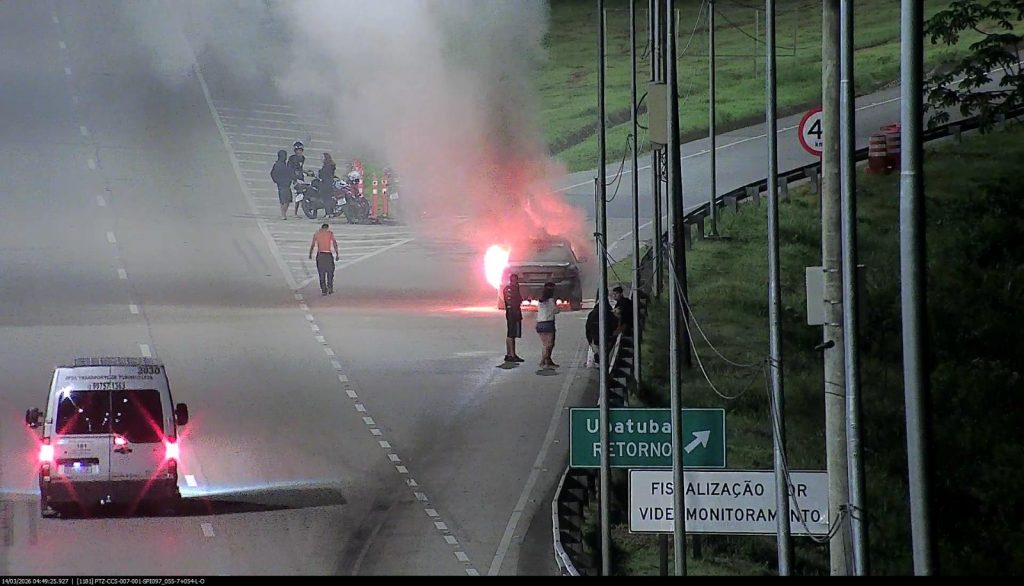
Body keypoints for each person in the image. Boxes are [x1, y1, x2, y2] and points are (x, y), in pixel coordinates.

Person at [308, 223, 340, 296]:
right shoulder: (330, 234)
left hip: (320, 255)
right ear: (327, 228)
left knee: (321, 273)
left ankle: (324, 289)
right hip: (328, 254)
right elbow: (334, 243)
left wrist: (310, 254)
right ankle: (330, 287)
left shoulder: (317, 234)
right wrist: (337, 253)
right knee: (330, 272)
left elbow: (313, 244)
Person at [585, 298, 616, 367]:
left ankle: (599, 365)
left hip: (595, 339)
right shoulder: (610, 313)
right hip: (607, 339)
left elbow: (588, 328)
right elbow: (614, 325)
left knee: (598, 353)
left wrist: (590, 340)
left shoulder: (592, 314)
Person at [536, 282, 560, 369]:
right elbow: (556, 311)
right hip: (548, 323)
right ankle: (544, 361)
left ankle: (547, 360)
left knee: (545, 344)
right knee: (549, 344)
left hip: (540, 323)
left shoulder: (540, 301)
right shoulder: (551, 301)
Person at [503, 274, 525, 363]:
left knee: (510, 334)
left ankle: (509, 354)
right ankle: (512, 354)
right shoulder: (510, 289)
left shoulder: (513, 288)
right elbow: (511, 302)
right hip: (513, 313)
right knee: (511, 334)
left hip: (513, 312)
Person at [270, 149, 293, 220]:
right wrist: (277, 181)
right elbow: (273, 174)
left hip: (287, 184)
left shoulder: (285, 164)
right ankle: (283, 214)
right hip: (282, 184)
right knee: (283, 200)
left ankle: (284, 213)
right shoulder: (278, 165)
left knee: (287, 200)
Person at [287, 141, 306, 217]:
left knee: (303, 193)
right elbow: (290, 168)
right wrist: (294, 177)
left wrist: (304, 172)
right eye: (298, 150)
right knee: (298, 194)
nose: (299, 152)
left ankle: (300, 210)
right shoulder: (292, 158)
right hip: (295, 178)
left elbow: (300, 168)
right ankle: (295, 212)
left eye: (300, 150)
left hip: (301, 177)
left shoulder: (303, 158)